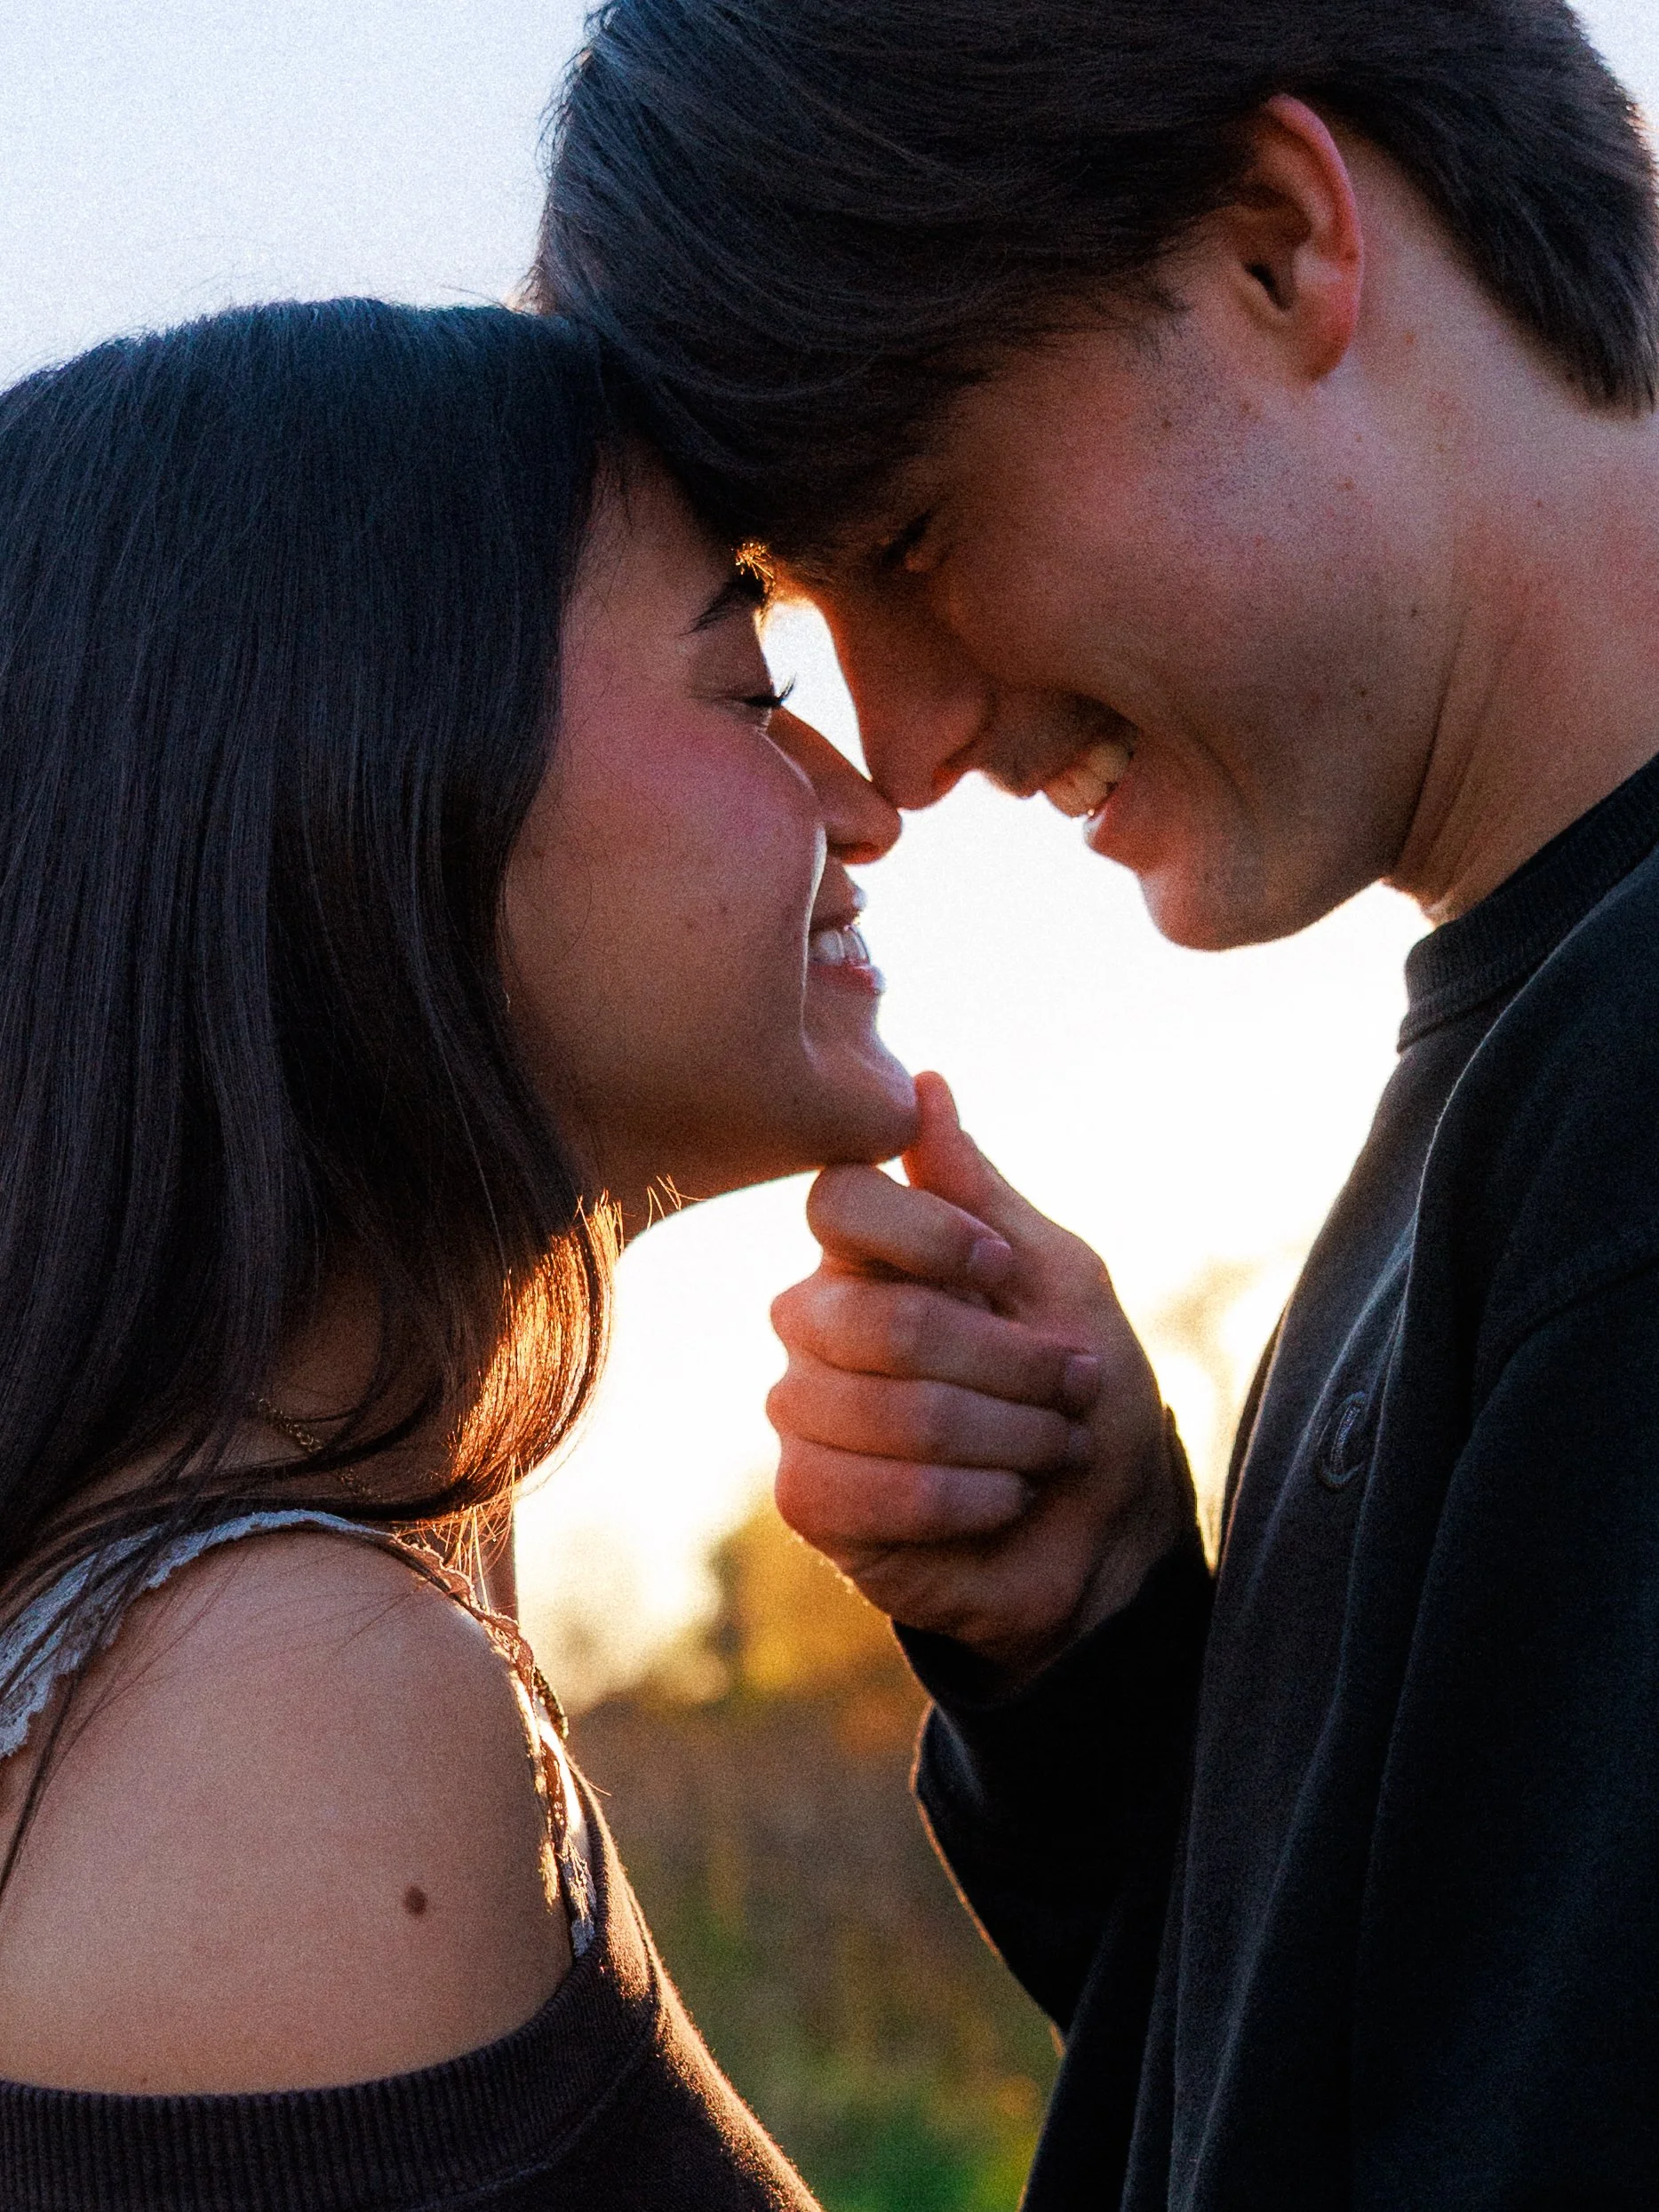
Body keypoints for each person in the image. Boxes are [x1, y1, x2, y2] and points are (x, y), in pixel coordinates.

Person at [536, 2, 1659, 2203]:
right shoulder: (1528, 1070)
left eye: (919, 529)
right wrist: (1118, 1662)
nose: (911, 744)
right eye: (800, 617)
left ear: (1274, 243)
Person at [0, 298, 918, 2209]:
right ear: (381, 773)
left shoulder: (225, 1647)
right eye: (751, 691)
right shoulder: (279, 1703)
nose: (863, 805)